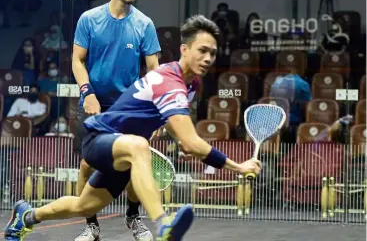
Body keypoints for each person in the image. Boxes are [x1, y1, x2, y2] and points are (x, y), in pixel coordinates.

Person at [4, 15, 262, 241]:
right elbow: (192, 143)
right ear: (184, 49)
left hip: (122, 151)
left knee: (84, 206)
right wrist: (238, 167)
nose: (207, 58)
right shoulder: (167, 80)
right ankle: (163, 224)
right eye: (202, 50)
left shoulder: (191, 86)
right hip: (99, 138)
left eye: (213, 54)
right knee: (140, 145)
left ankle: (25, 216)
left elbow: (182, 135)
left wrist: (178, 137)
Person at [71, 0, 161, 241]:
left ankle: (133, 217)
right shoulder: (89, 19)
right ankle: (91, 225)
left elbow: (154, 73)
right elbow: (77, 60)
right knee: (87, 165)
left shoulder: (145, 24)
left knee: (138, 162)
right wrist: (87, 93)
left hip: (129, 108)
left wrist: (156, 111)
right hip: (94, 104)